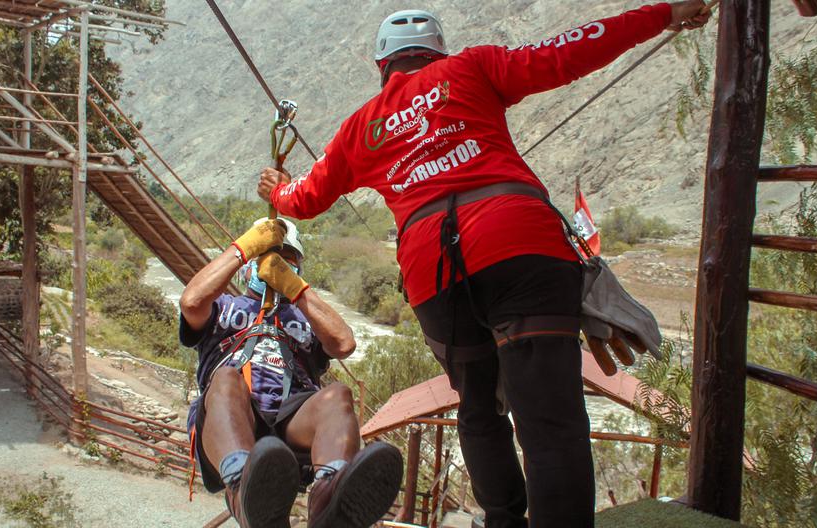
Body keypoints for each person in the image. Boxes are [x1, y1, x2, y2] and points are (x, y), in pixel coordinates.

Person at [257, 3, 710, 526]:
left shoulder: (361, 127)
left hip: (435, 274)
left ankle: (501, 519)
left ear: (382, 65)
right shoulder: (471, 67)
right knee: (550, 417)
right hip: (519, 245)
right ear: (437, 53)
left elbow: (306, 198)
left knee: (477, 407)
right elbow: (566, 52)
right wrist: (664, 13)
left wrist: (277, 189)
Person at [179, 218, 403, 528]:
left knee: (338, 394)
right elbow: (191, 303)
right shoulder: (223, 308)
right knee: (227, 379)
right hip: (233, 414)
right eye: (268, 257)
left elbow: (344, 343)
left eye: (287, 260)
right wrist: (243, 249)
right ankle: (241, 486)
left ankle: (330, 501)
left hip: (291, 420)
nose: (277, 265)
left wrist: (295, 289)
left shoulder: (307, 317)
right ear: (248, 266)